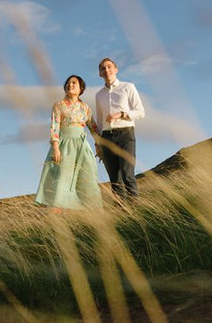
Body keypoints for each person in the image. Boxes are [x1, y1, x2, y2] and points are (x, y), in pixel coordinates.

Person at [35, 75, 103, 210]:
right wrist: (55, 147)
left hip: (82, 147)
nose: (70, 85)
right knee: (61, 180)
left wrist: (98, 146)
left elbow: (94, 128)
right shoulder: (58, 105)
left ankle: (90, 214)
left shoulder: (85, 108)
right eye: (68, 83)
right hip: (63, 146)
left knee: (87, 178)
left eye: (74, 83)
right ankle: (57, 215)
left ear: (81, 88)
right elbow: (54, 126)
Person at [94, 57, 144, 203]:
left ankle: (136, 208)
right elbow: (99, 121)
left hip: (126, 133)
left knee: (127, 173)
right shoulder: (99, 95)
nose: (106, 70)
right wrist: (98, 143)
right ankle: (122, 212)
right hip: (107, 137)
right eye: (103, 68)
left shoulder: (128, 87)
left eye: (109, 67)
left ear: (116, 69)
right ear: (100, 74)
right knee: (114, 178)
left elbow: (140, 112)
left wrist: (121, 114)